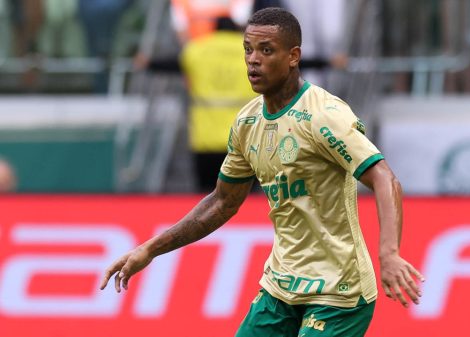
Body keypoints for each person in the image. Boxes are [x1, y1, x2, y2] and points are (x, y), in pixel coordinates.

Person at [101, 8, 423, 336]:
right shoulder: (246, 123)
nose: (253, 60)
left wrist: (389, 253)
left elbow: (384, 178)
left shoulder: (324, 116)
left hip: (338, 292)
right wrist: (150, 249)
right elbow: (221, 203)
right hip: (280, 288)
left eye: (266, 50)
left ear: (293, 56)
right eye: (248, 50)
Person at [181, 17, 257, 192]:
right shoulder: (252, 52)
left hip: (205, 140)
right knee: (246, 199)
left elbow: (172, 65)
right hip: (244, 141)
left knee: (206, 198)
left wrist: (147, 63)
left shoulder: (195, 49)